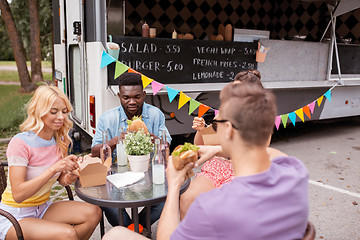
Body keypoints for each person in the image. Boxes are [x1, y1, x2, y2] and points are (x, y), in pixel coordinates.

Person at [102, 82, 309, 240]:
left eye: (217, 123)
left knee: (115, 235)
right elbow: (271, 153)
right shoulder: (294, 171)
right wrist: (219, 148)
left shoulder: (212, 207)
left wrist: (174, 185)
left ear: (227, 130)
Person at [0, 85, 102, 240]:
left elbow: (62, 179)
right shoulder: (20, 143)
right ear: (39, 112)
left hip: (42, 208)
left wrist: (71, 174)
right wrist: (53, 168)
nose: (61, 117)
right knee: (68, 234)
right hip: (15, 215)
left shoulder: (60, 140)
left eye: (64, 111)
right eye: (54, 112)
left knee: (94, 212)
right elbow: (19, 194)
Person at [91, 72, 171, 228]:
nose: (132, 102)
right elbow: (94, 151)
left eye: (137, 97)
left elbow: (166, 145)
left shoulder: (155, 115)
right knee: (109, 205)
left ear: (144, 95)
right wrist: (115, 140)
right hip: (115, 176)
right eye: (126, 98)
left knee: (165, 200)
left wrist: (150, 136)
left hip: (149, 173)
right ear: (119, 96)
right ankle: (134, 232)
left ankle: (133, 231)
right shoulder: (107, 118)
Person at [180, 69, 264, 218]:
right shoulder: (222, 112)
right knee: (187, 198)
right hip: (216, 166)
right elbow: (202, 146)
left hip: (242, 171)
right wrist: (201, 130)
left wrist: (219, 149)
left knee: (226, 208)